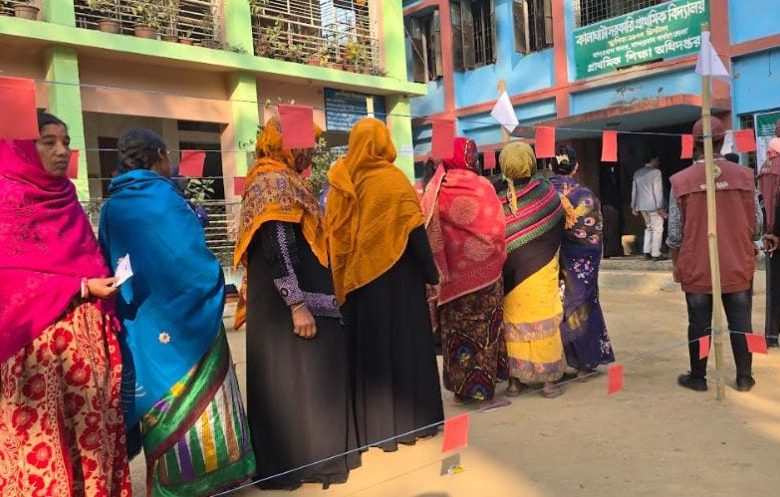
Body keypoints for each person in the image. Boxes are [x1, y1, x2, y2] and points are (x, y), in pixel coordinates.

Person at [99, 129, 256, 496]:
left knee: (160, 400)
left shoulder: (112, 207)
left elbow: (109, 261)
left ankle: (170, 483)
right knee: (205, 399)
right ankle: (218, 477)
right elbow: (193, 260)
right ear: (158, 156)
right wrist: (214, 280)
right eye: (167, 156)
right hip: (191, 322)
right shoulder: (167, 199)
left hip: (144, 324)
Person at [0, 113, 131, 496]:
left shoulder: (66, 198)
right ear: (23, 148)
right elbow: (7, 277)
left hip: (85, 357)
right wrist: (81, 286)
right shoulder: (7, 198)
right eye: (48, 142)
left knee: (90, 450)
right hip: (34, 355)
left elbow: (85, 257)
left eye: (66, 142)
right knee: (40, 450)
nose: (61, 151)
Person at [233, 119, 360, 489]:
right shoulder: (273, 181)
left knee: (296, 380)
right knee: (298, 381)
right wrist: (296, 304)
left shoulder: (279, 178)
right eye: (307, 144)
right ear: (286, 144)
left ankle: (306, 460)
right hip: (291, 306)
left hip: (292, 303)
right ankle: (307, 463)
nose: (311, 152)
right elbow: (278, 245)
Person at [325, 118, 444, 451]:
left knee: (370, 355)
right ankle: (411, 424)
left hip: (358, 287)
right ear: (383, 143)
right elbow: (415, 232)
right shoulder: (394, 181)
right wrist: (432, 276)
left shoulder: (341, 182)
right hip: (400, 285)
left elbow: (333, 235)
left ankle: (371, 430)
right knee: (405, 350)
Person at [668, 117, 761, 393]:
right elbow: (757, 224)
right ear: (723, 141)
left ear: (694, 144)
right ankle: (744, 376)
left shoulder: (681, 181)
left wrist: (676, 264)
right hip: (737, 261)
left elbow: (675, 233)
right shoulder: (745, 176)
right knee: (741, 323)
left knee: (699, 324)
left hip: (696, 263)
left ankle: (698, 376)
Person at [420, 137, 508, 403]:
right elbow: (497, 228)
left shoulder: (435, 189)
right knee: (483, 333)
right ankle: (483, 394)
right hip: (485, 276)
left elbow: (428, 232)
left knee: (455, 333)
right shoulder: (482, 186)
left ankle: (460, 391)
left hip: (450, 281)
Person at [497, 142, 566, 398]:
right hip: (543, 268)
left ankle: (514, 383)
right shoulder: (546, 191)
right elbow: (560, 223)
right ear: (531, 162)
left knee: (513, 324)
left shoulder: (498, 198)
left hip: (510, 273)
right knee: (543, 320)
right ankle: (548, 383)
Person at [550, 146, 616, 379]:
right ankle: (583, 365)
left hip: (546, 262)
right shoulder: (586, 196)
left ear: (551, 166)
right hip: (579, 262)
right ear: (576, 167)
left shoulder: (543, 193)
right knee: (582, 303)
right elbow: (593, 239)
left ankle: (553, 363)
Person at [758, 136, 780, 348]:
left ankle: (772, 336)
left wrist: (768, 232)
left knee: (774, 288)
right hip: (776, 233)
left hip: (771, 235)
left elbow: (762, 202)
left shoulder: (766, 166)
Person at [632, 153, 667, 261]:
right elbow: (657, 190)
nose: (658, 162)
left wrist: (633, 205)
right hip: (653, 205)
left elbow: (634, 190)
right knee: (658, 228)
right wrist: (660, 206)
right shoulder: (656, 172)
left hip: (641, 205)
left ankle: (646, 251)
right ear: (653, 159)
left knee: (648, 228)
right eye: (657, 160)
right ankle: (656, 253)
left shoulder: (637, 172)